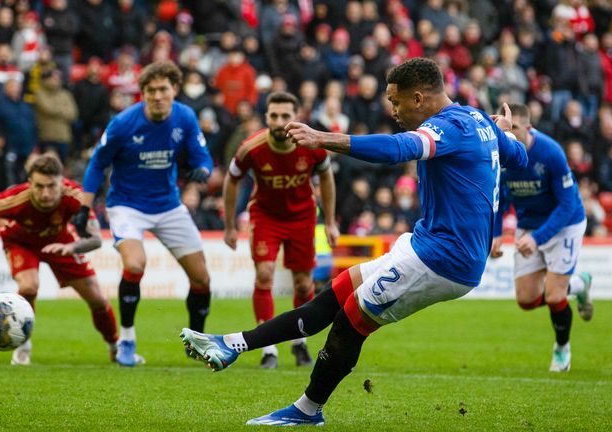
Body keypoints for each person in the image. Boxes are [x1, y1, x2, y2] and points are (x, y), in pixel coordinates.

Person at [181, 57, 529, 426]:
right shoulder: (477, 120)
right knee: (332, 298)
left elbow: (398, 150)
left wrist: (322, 138)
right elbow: (518, 157)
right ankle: (232, 344)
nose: (392, 110)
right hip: (425, 243)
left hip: (444, 258)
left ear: (418, 98)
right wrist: (504, 132)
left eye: (395, 102)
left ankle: (306, 411)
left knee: (351, 320)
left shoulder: (447, 127)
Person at [73, 60, 213, 367]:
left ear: (175, 89)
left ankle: (199, 342)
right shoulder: (123, 123)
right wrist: (84, 206)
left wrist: (202, 171)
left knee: (202, 279)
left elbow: (204, 157)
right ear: (142, 94)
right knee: (135, 264)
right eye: (151, 91)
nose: (158, 96)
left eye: (164, 89)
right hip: (127, 205)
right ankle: (127, 339)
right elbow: (97, 163)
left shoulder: (186, 117)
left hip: (168, 205)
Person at [0, 154, 120, 366]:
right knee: (29, 287)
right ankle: (22, 346)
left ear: (62, 182)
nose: (45, 193)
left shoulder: (75, 196)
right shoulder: (17, 198)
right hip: (21, 242)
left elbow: (95, 240)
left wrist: (71, 247)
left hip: (61, 242)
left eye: (51, 186)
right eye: (39, 186)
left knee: (97, 299)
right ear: (29, 183)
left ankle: (116, 347)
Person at [223, 91, 338, 369]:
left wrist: (331, 222)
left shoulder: (312, 145)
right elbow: (231, 180)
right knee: (264, 275)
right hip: (266, 217)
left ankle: (299, 344)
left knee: (303, 283)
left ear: (296, 117)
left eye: (285, 116)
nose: (279, 121)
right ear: (266, 117)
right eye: (273, 116)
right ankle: (268, 349)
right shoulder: (251, 148)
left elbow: (326, 177)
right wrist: (228, 225)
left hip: (302, 217)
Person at [490, 103, 593, 373]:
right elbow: (497, 199)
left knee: (555, 295)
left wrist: (537, 239)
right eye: (505, 130)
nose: (509, 135)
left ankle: (562, 349)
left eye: (514, 130)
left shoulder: (550, 153)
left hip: (564, 225)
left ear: (528, 127)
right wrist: (496, 233)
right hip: (529, 225)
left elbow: (567, 206)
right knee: (525, 300)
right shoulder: (499, 156)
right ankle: (579, 286)